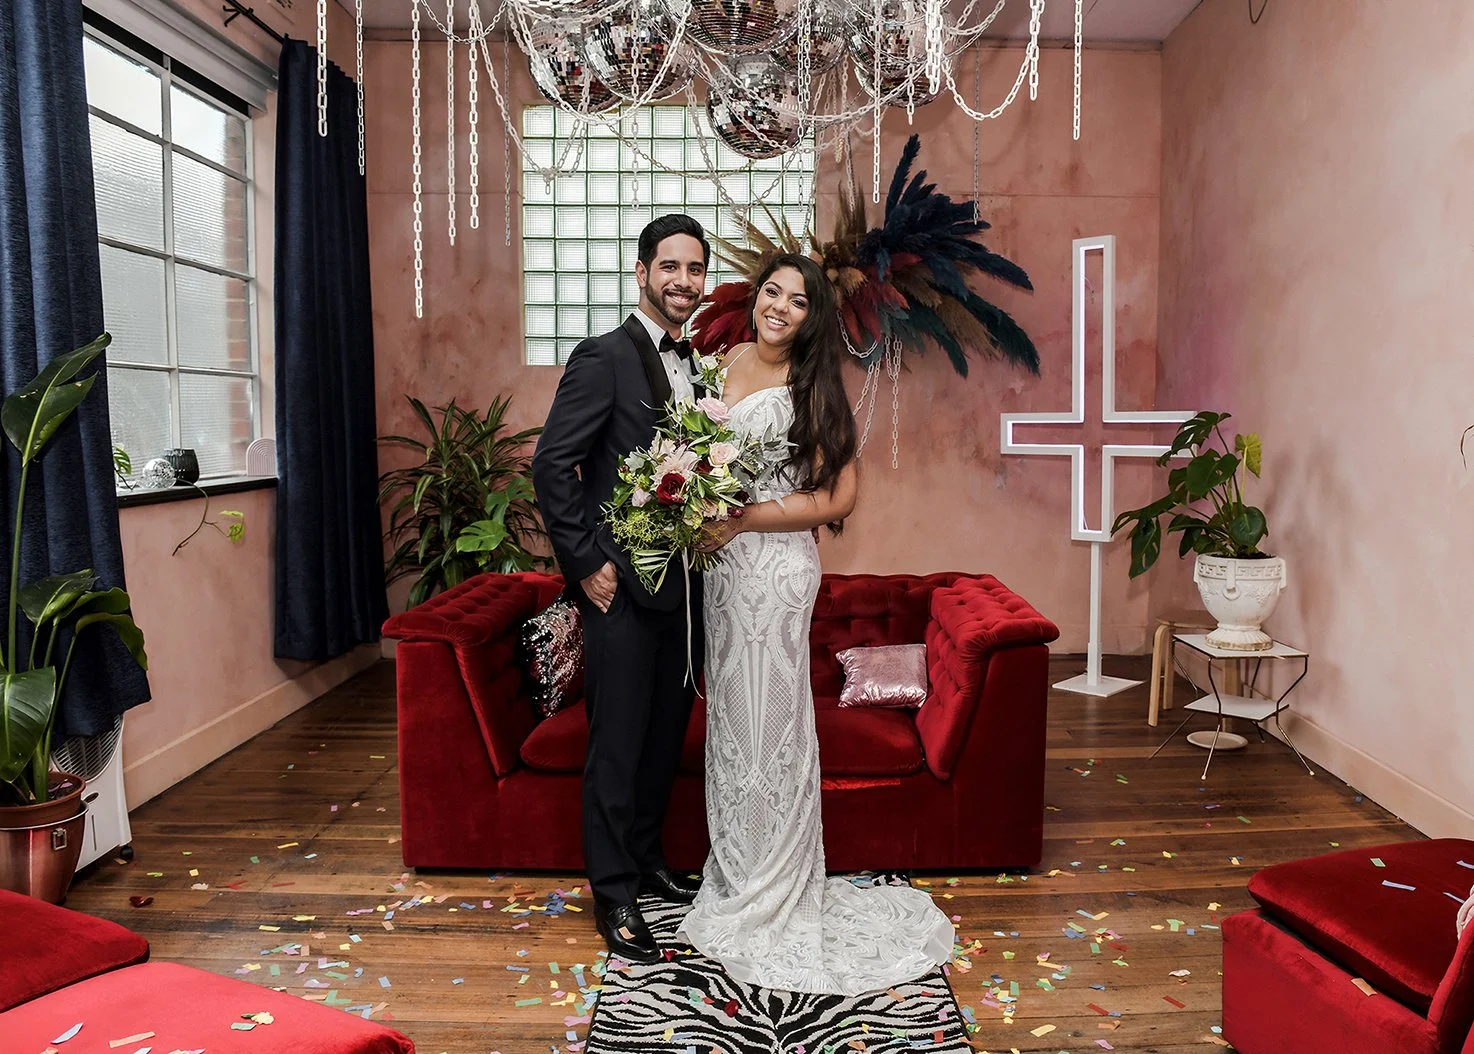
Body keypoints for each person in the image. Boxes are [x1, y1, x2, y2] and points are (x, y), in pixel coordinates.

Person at [676, 253, 955, 995]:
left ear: (812, 319)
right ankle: (738, 867)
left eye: (798, 302)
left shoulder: (813, 384)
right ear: (755, 296)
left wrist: (743, 520)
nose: (780, 308)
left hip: (774, 570)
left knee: (773, 725)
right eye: (773, 292)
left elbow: (839, 498)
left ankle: (778, 881)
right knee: (733, 723)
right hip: (723, 573)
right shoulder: (724, 359)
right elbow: (701, 460)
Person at [530, 214, 711, 966]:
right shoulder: (604, 356)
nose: (682, 281)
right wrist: (585, 564)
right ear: (641, 273)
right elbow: (552, 463)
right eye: (668, 267)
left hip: (683, 592)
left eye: (694, 269)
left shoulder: (697, 362)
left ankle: (646, 861)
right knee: (617, 745)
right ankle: (613, 892)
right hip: (619, 593)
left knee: (663, 737)